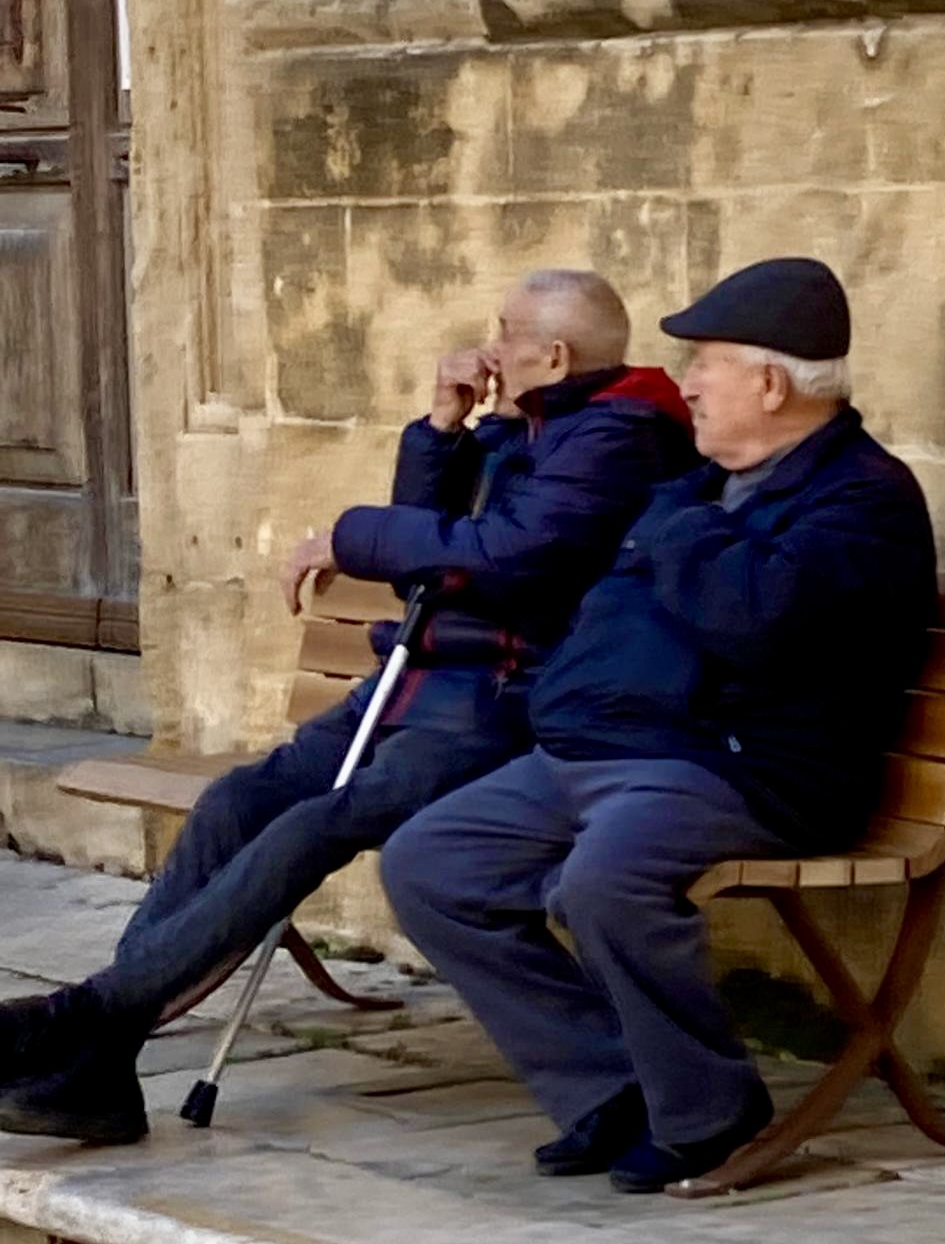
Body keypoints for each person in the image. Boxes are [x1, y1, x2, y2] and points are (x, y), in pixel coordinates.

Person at [0, 269, 694, 1144]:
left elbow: (513, 553)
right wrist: (441, 431)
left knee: (315, 825)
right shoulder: (526, 428)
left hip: (494, 703)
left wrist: (347, 535)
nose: (488, 346)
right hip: (411, 682)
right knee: (237, 803)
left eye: (505, 331)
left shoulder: (617, 438)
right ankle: (101, 1054)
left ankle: (84, 1027)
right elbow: (423, 562)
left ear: (552, 354)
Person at [378, 258, 938, 1193]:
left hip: (749, 770)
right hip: (620, 750)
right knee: (431, 863)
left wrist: (678, 535)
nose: (686, 384)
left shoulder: (863, 499)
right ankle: (609, 1094)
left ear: (770, 382)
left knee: (602, 885)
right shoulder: (702, 487)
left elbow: (752, 618)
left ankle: (710, 1112)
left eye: (706, 363)